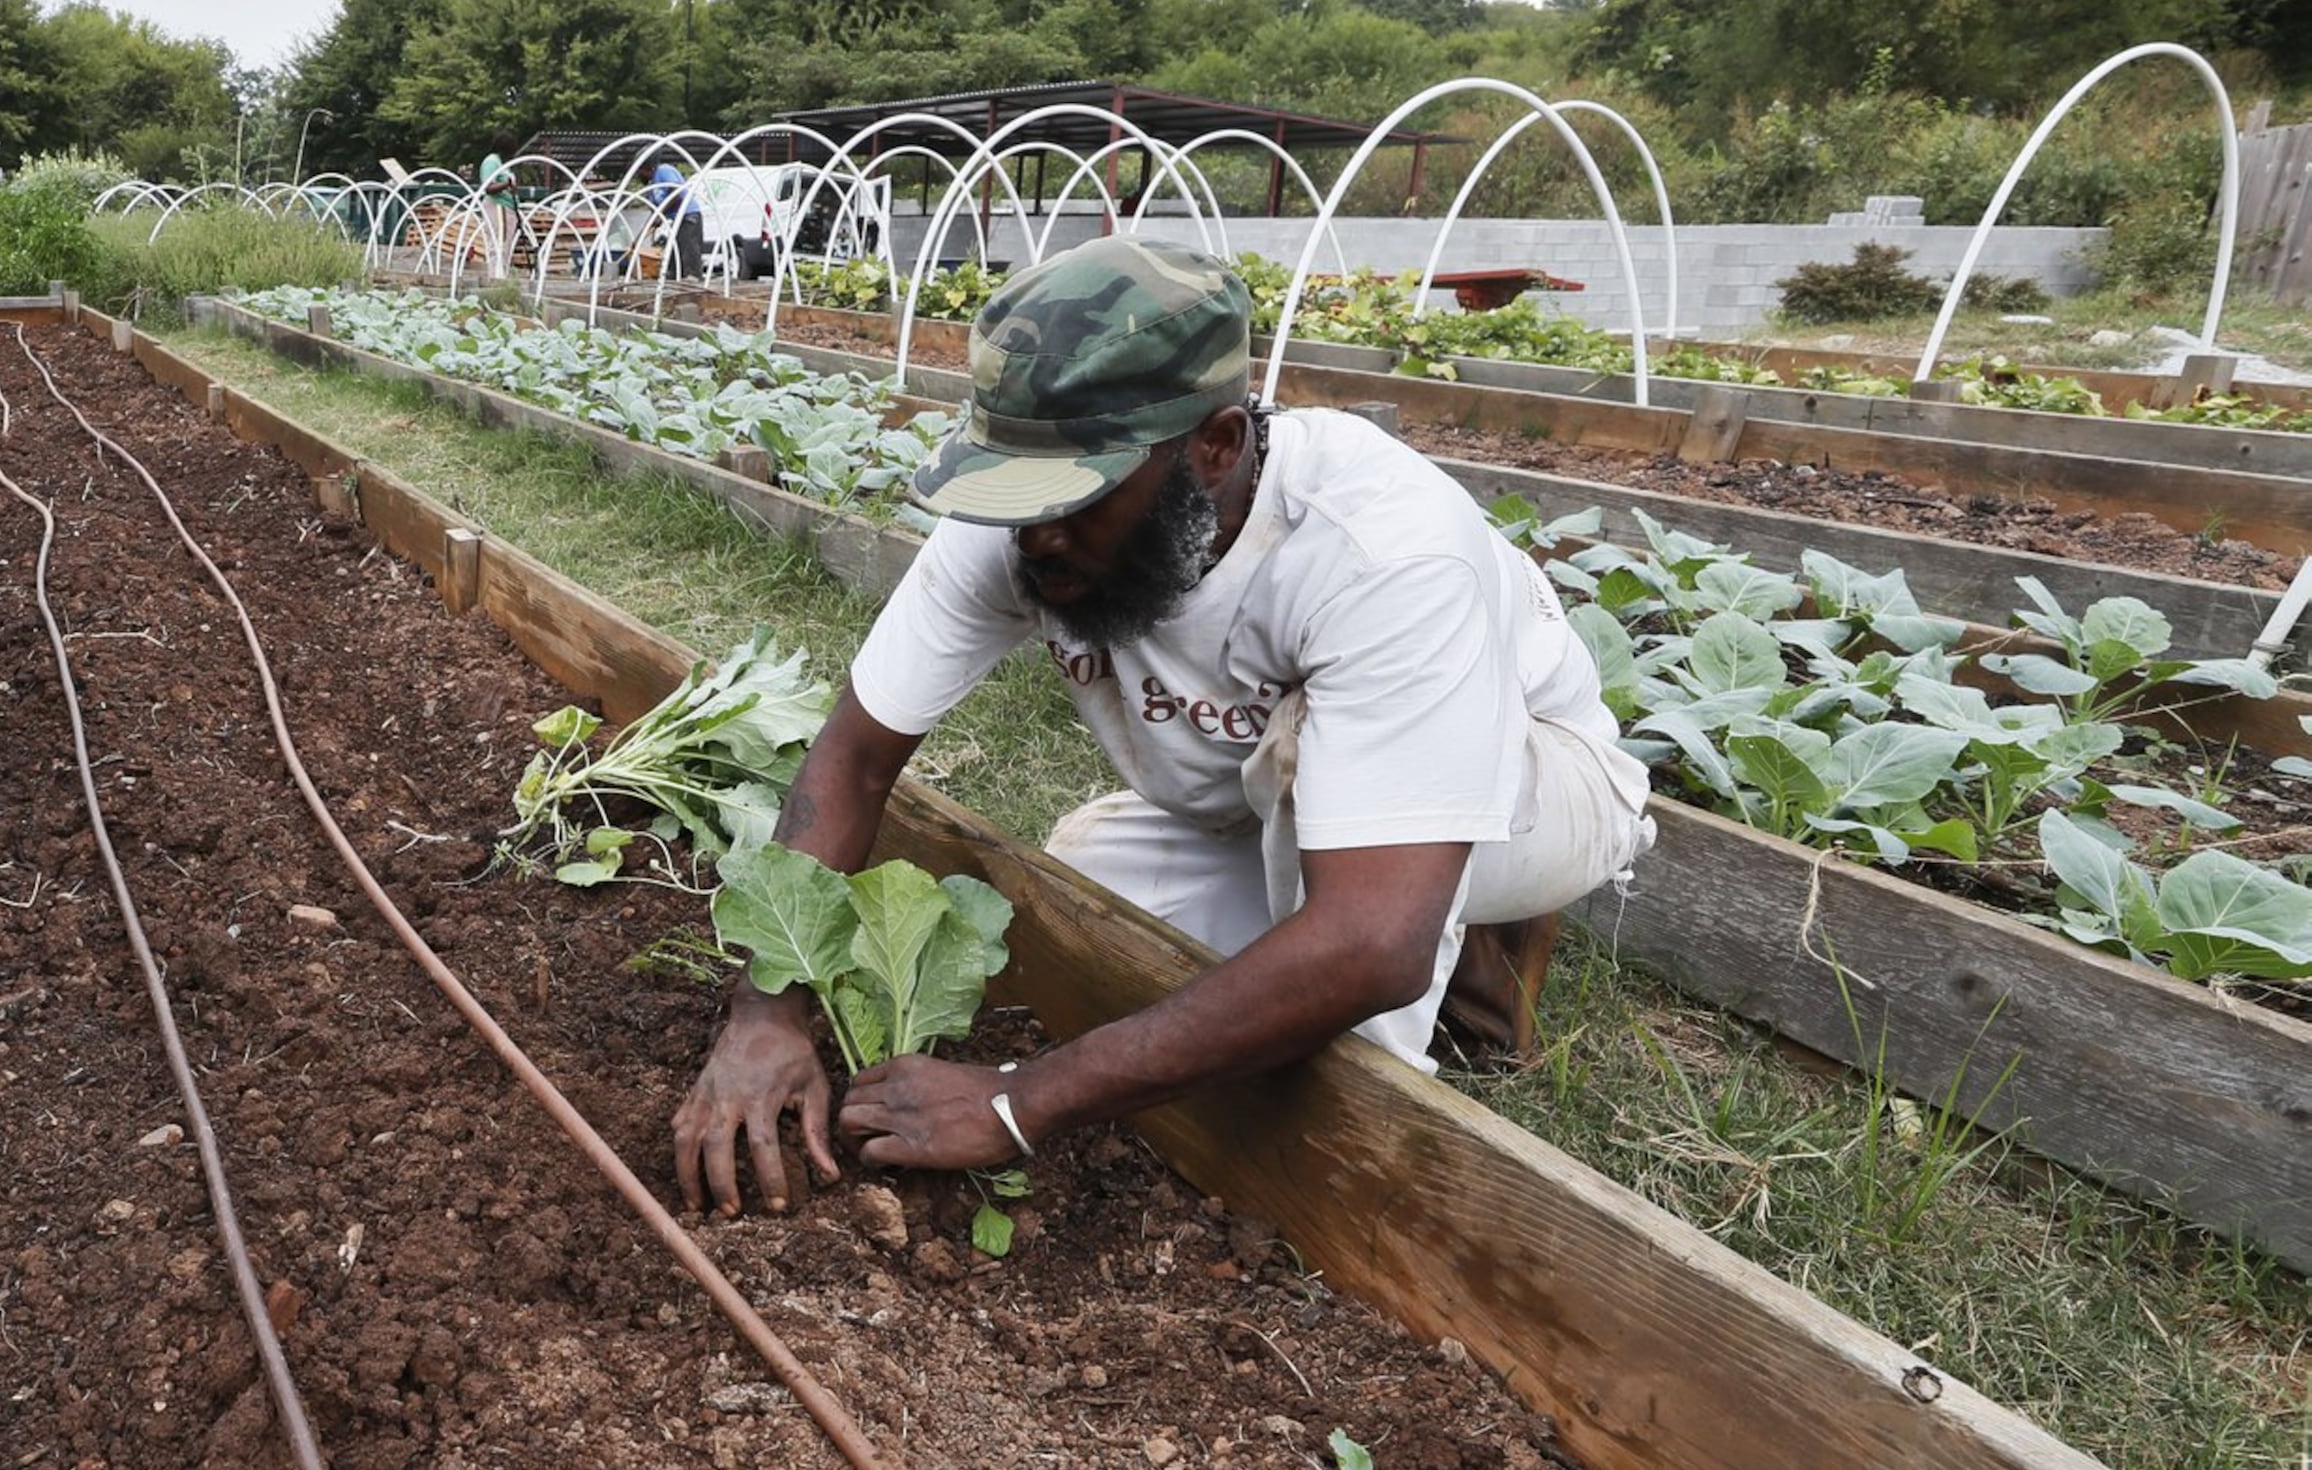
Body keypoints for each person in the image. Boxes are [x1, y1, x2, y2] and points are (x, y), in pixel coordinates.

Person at [672, 235, 1651, 1216]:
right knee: (1080, 902)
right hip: (1251, 797)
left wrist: (1020, 1103)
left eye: (1077, 499)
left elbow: (1371, 941)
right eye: (1016, 495)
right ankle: (1344, 914)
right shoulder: (1023, 523)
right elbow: (853, 758)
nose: (1038, 536)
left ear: (1215, 445)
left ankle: (1389, 1065)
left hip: (1535, 787)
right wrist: (767, 1006)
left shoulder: (1376, 549)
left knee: (1316, 1008)